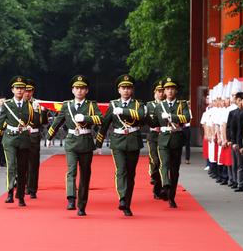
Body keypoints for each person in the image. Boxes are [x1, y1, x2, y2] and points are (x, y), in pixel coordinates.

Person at [46, 75, 103, 216]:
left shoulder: (91, 105)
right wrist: (49, 136)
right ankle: (71, 198)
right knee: (71, 171)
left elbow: (100, 119)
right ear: (72, 90)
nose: (79, 91)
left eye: (82, 88)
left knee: (85, 175)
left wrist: (86, 118)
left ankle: (82, 205)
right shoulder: (67, 105)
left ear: (86, 91)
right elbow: (57, 121)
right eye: (77, 88)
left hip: (86, 141)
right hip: (71, 140)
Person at [96, 74, 145, 216]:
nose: (126, 90)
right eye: (123, 88)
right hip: (117, 141)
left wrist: (124, 111)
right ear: (119, 90)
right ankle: (122, 198)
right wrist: (98, 143)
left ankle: (127, 203)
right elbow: (105, 125)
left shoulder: (138, 104)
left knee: (130, 174)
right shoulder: (113, 104)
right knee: (121, 170)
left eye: (129, 88)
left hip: (133, 140)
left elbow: (141, 115)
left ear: (132, 90)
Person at [0, 76, 33, 207]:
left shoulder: (30, 105)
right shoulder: (7, 105)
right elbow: (1, 120)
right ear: (12, 90)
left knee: (22, 169)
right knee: (11, 166)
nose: (20, 91)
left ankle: (21, 196)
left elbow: (34, 120)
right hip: (10, 138)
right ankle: (10, 191)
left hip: (24, 139)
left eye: (22, 88)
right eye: (17, 88)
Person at [155, 77, 191, 208]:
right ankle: (165, 185)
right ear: (164, 91)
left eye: (172, 89)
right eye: (167, 89)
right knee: (164, 163)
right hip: (163, 138)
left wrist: (171, 117)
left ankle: (171, 196)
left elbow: (187, 117)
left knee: (175, 170)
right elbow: (153, 122)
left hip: (176, 138)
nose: (169, 91)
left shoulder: (182, 105)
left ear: (176, 91)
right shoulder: (159, 106)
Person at [24, 79, 48, 199]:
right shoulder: (19, 103)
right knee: (21, 163)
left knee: (33, 164)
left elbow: (43, 122)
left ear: (33, 91)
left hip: (33, 135)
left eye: (30, 91)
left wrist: (43, 112)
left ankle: (32, 188)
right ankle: (23, 185)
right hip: (22, 135)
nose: (27, 93)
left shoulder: (38, 104)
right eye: (25, 90)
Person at [146, 80, 165, 199]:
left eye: (163, 91)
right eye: (159, 91)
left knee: (163, 162)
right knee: (155, 159)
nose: (161, 93)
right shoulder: (149, 105)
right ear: (154, 93)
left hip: (164, 135)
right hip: (153, 135)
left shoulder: (167, 105)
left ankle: (158, 189)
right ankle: (153, 173)